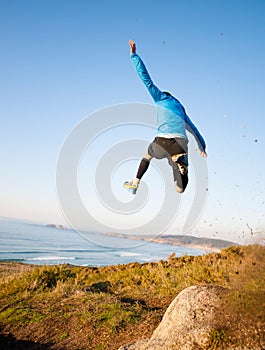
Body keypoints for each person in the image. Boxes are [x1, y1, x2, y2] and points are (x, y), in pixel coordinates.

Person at [124, 40, 207, 195]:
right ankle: (181, 166)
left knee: (147, 156)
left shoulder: (160, 98)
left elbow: (145, 79)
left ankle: (134, 183)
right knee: (179, 189)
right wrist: (202, 145)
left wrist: (133, 55)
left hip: (161, 142)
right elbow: (193, 129)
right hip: (180, 144)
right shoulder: (181, 108)